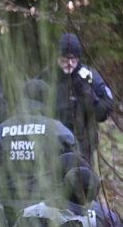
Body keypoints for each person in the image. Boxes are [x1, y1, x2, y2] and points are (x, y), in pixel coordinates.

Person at [0, 79, 75, 222]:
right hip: (45, 209)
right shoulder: (59, 131)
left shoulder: (0, 130)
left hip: (5, 205)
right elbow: (75, 168)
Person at [36, 32, 114, 163]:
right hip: (51, 144)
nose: (70, 63)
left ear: (78, 58)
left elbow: (104, 112)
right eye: (65, 59)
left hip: (82, 146)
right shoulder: (46, 77)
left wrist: (90, 98)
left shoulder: (88, 77)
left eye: (73, 58)